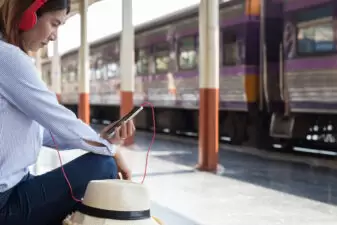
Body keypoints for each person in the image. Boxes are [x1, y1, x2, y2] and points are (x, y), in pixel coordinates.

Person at [0, 0, 134, 224]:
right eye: (54, 24)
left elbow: (43, 132)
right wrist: (111, 151)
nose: (54, 36)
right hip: (5, 204)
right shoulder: (8, 58)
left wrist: (100, 138)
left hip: (15, 189)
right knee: (104, 165)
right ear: (28, 15)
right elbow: (59, 120)